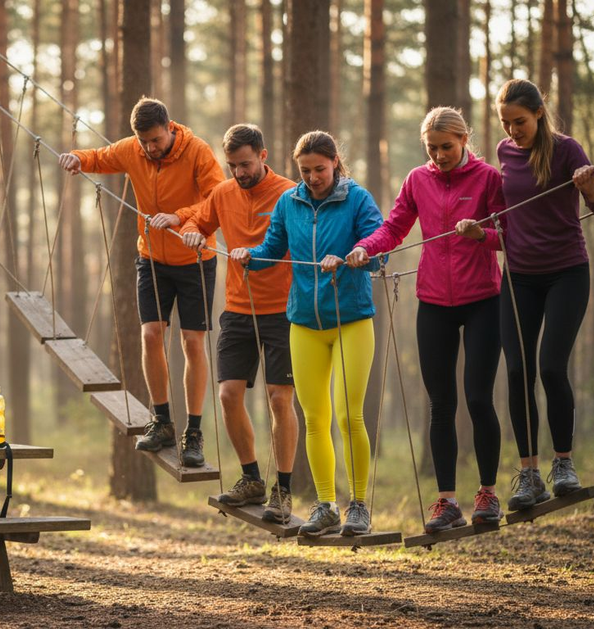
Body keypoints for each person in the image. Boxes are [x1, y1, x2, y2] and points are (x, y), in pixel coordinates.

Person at [346, 107, 507, 533]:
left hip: (483, 300)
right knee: (441, 405)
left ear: (464, 140)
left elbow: (509, 233)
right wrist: (367, 247)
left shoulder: (488, 178)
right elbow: (394, 226)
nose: (439, 155)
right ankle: (447, 501)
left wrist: (481, 236)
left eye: (447, 147)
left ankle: (488, 493)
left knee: (477, 397)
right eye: (432, 148)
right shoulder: (418, 180)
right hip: (434, 300)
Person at [58, 98, 225, 466]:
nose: (150, 148)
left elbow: (218, 198)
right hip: (151, 259)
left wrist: (179, 216)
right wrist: (77, 158)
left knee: (192, 343)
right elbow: (101, 156)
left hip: (196, 259)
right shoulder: (132, 150)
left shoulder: (198, 151)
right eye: (144, 141)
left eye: (155, 140)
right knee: (151, 334)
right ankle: (162, 420)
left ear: (170, 127)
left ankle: (193, 432)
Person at [231, 131, 382, 536]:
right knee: (314, 419)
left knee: (348, 416)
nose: (313, 177)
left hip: (351, 320)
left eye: (320, 168)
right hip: (303, 323)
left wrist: (359, 254)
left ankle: (360, 506)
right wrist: (250, 256)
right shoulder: (289, 202)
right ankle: (326, 504)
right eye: (305, 170)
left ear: (335, 162)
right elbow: (271, 249)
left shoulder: (358, 199)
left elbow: (379, 250)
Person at [479, 79, 594, 511]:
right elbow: (505, 215)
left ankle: (564, 464)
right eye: (506, 122)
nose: (513, 130)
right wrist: (480, 229)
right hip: (518, 277)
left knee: (551, 367)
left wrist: (588, 187)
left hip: (566, 273)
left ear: (539, 112)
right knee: (517, 373)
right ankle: (530, 473)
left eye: (519, 121)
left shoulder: (567, 150)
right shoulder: (503, 152)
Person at [173, 124, 299, 523]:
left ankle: (283, 490)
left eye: (245, 164)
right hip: (238, 309)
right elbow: (197, 220)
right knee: (227, 395)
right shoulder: (223, 193)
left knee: (280, 399)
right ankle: (251, 479)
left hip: (283, 310)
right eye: (232, 166)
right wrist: (192, 232)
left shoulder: (289, 193)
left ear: (263, 156)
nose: (238, 173)